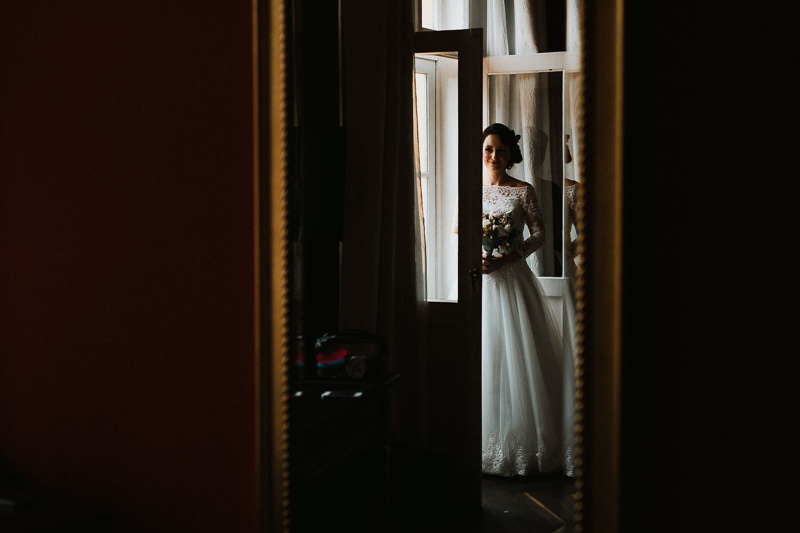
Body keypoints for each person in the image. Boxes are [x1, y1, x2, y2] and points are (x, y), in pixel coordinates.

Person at [480, 123, 573, 477]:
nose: (494, 157)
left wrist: (508, 256)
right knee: (488, 357)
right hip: (482, 282)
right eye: (489, 149)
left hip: (514, 280)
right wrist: (480, 259)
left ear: (511, 154)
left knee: (518, 357)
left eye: (501, 150)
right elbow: (459, 232)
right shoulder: (472, 190)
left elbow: (539, 235)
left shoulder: (523, 191)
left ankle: (524, 444)